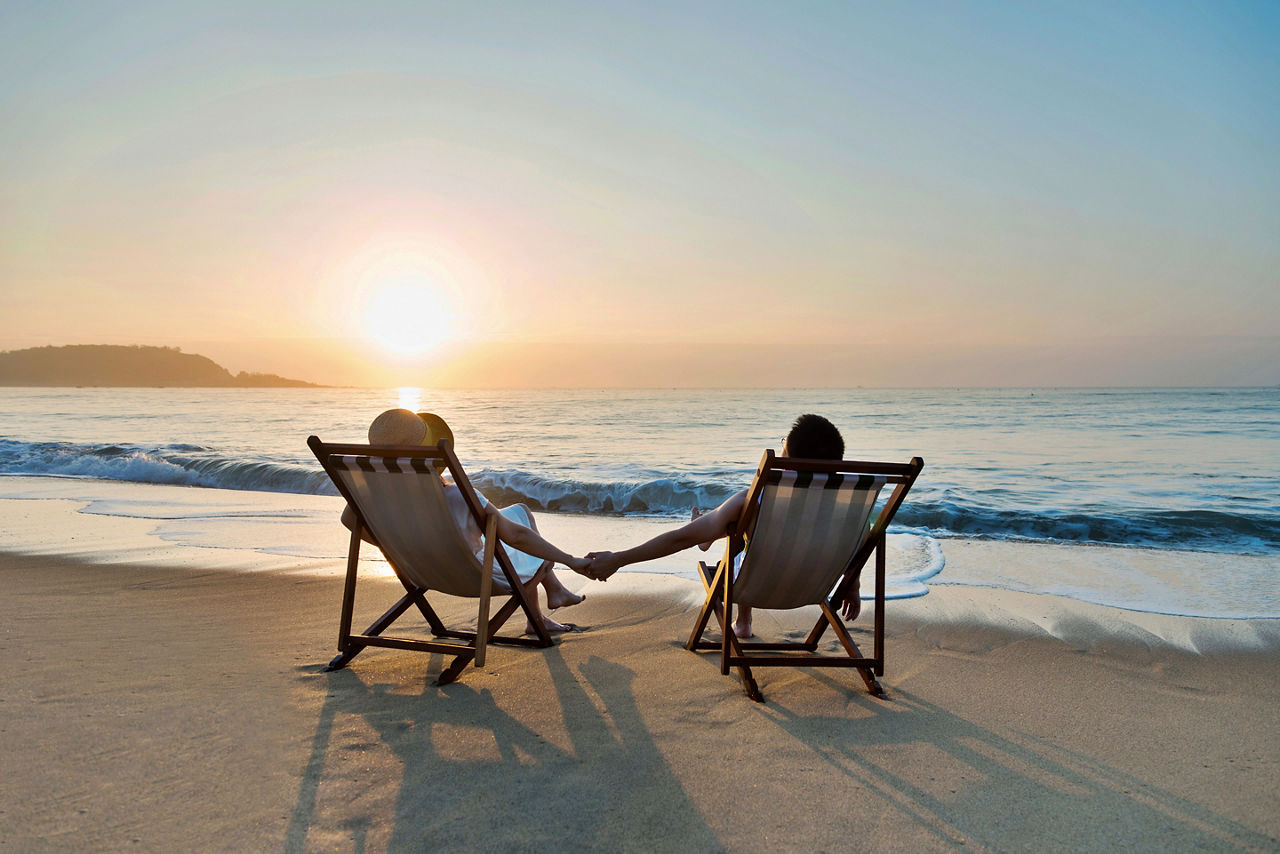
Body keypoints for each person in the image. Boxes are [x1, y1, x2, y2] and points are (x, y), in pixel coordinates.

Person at [583, 414, 854, 639]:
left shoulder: (755, 501)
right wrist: (851, 586)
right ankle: (711, 531)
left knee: (741, 526)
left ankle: (711, 541)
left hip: (755, 585)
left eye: (783, 445)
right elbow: (857, 546)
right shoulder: (850, 508)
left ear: (787, 460)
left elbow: (679, 539)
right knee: (745, 529)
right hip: (814, 589)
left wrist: (619, 558)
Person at [340, 409, 589, 635]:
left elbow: (348, 519)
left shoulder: (372, 498)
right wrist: (570, 559)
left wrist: (397, 548)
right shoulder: (458, 497)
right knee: (520, 523)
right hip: (475, 574)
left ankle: (548, 602)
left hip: (421, 571)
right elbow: (517, 537)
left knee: (517, 512)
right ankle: (543, 609)